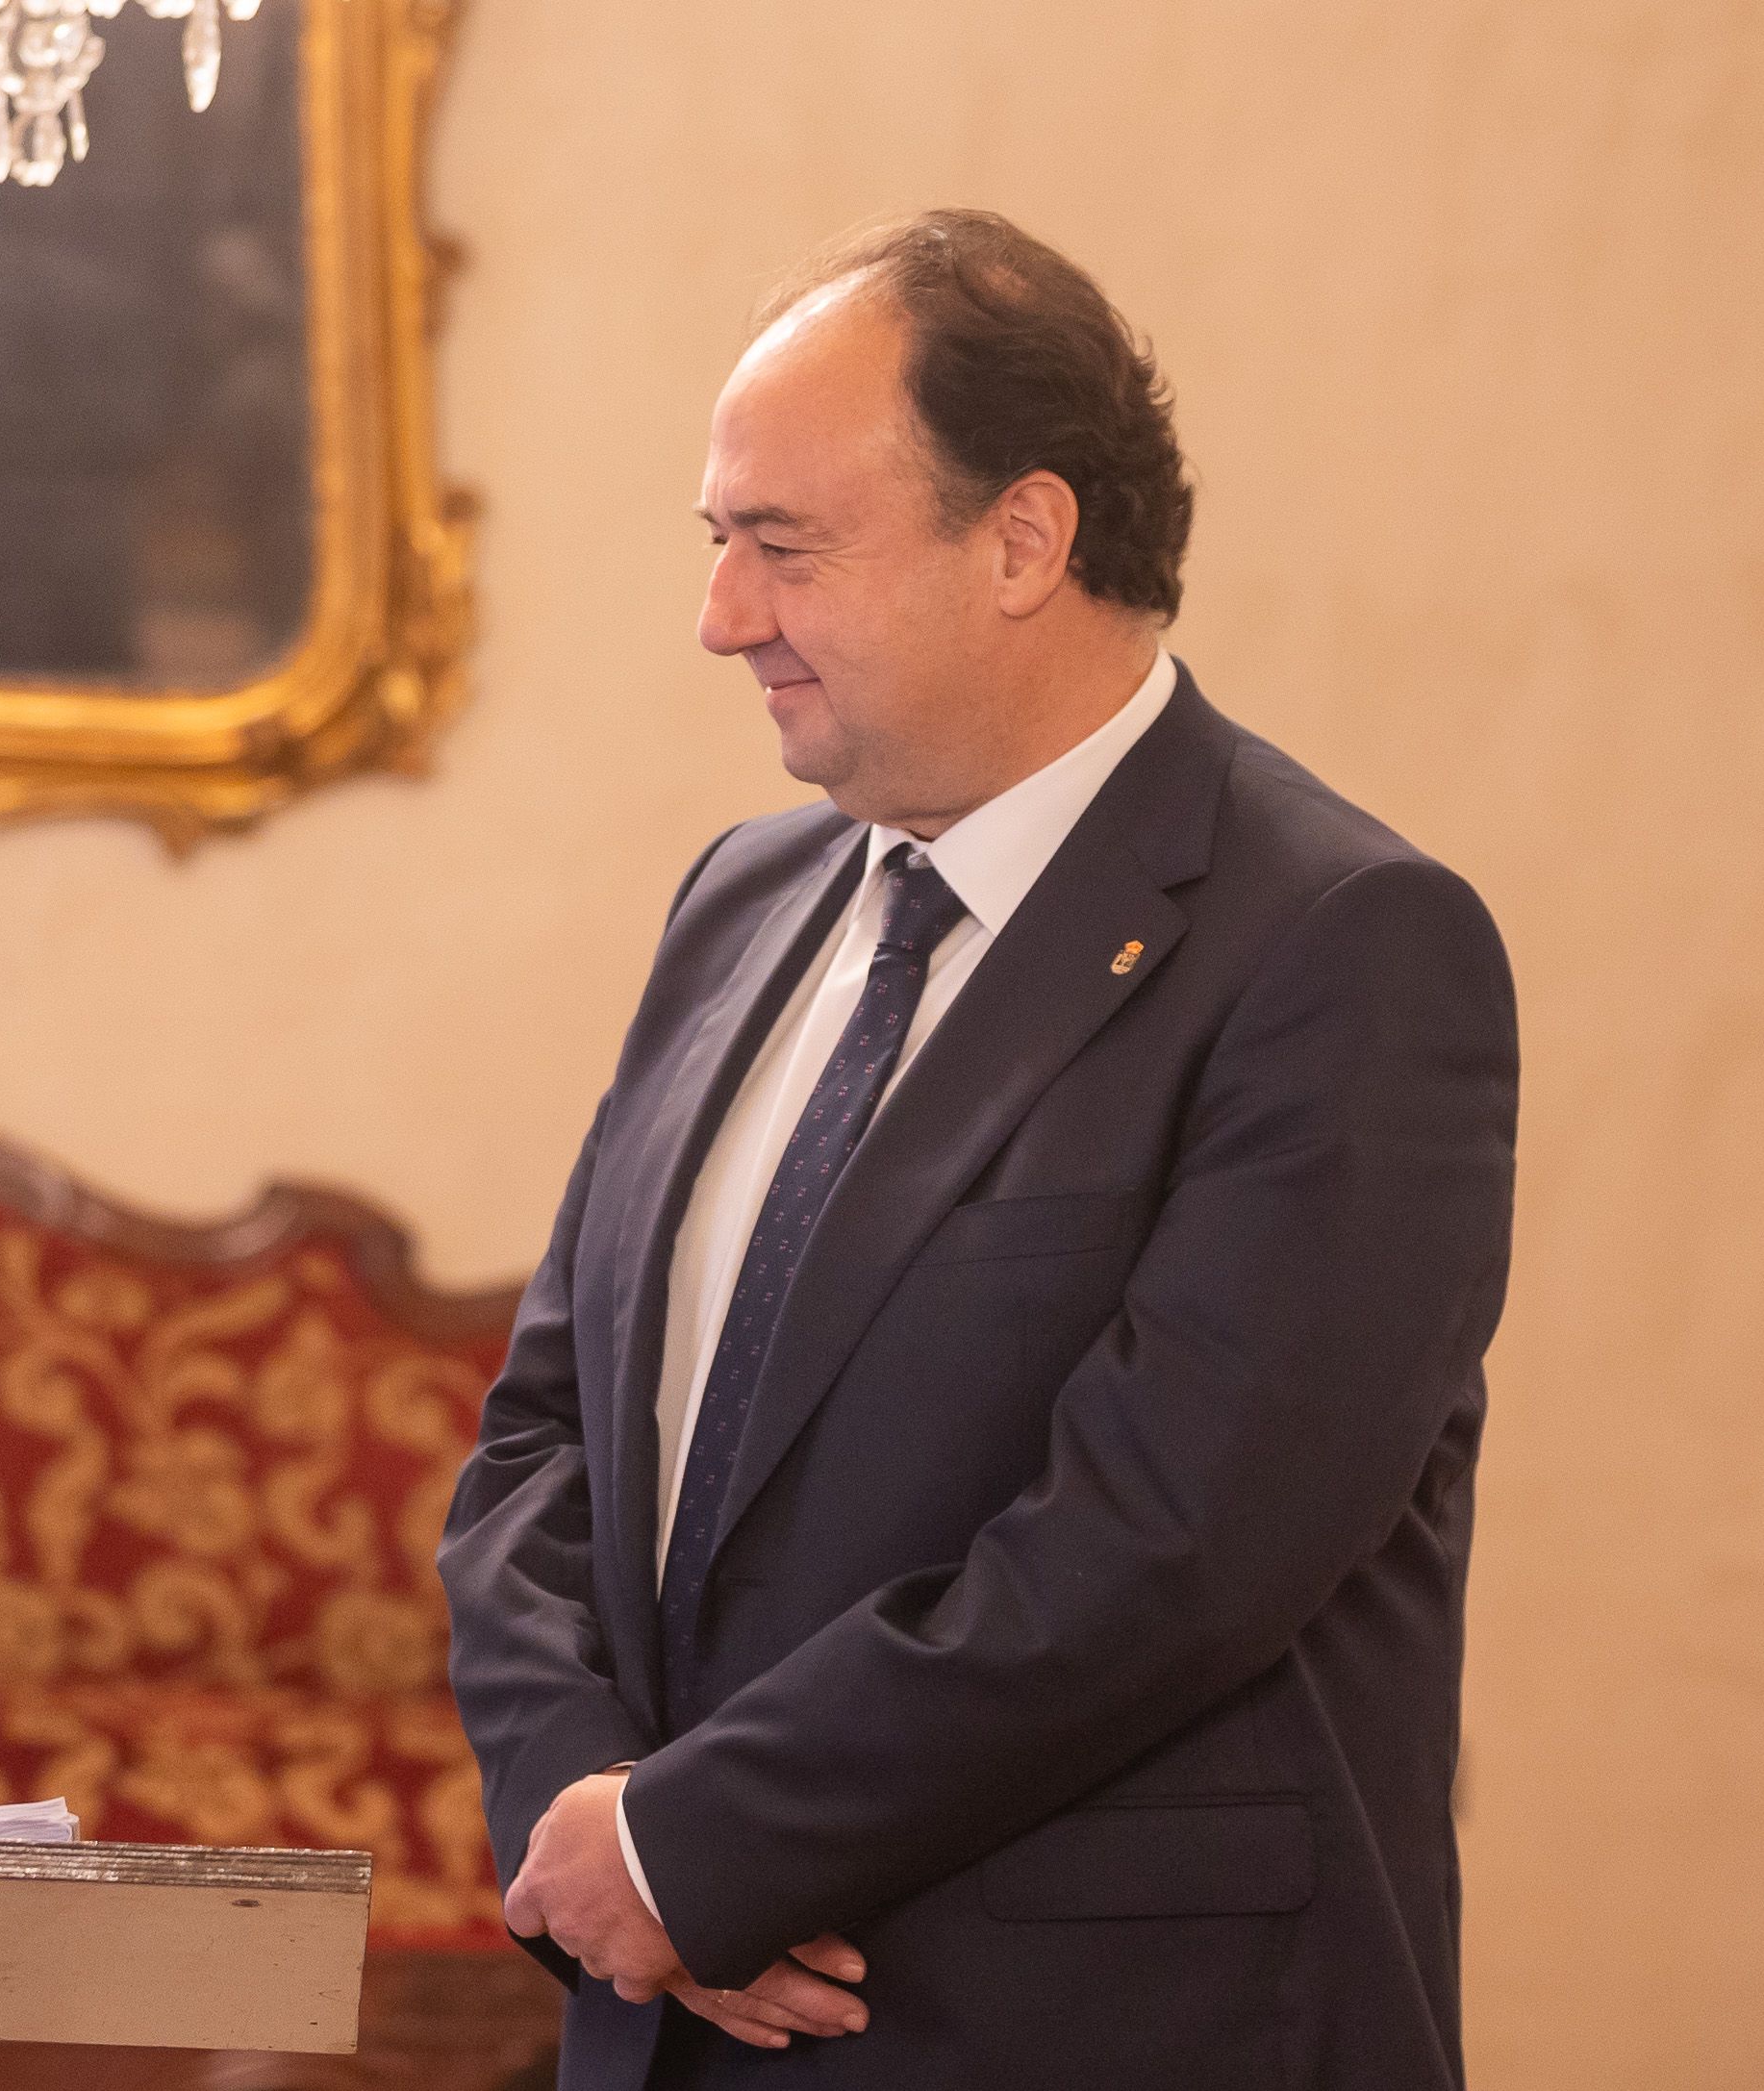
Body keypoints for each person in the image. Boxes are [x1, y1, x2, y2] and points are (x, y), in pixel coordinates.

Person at [439, 211, 1514, 2091]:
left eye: (784, 548)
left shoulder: (1341, 945)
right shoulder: (737, 898)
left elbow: (1168, 1547)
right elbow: (543, 1436)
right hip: (675, 2020)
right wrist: (588, 1821)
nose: (721, 616)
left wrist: (697, 1849)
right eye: (716, 543)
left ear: (1022, 539)